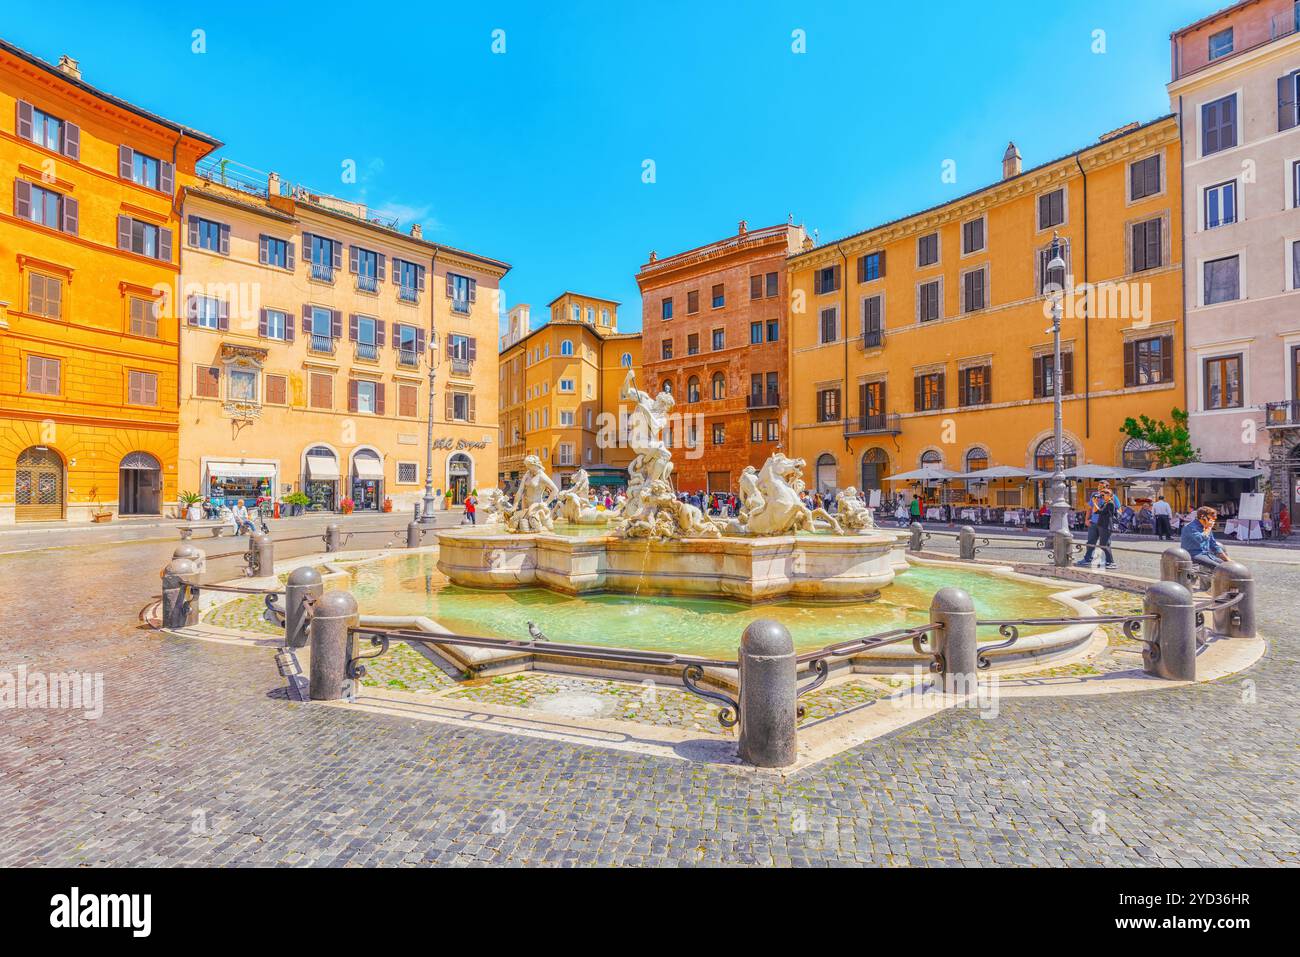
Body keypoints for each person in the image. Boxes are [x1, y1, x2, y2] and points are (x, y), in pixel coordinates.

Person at [1075, 485, 1117, 568]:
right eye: (1101, 494)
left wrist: (1095, 503)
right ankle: (1107, 561)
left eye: (1103, 494)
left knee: (1104, 544)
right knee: (1101, 544)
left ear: (1109, 495)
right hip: (1100, 525)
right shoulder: (1105, 503)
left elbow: (1100, 511)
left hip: (1106, 526)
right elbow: (1095, 511)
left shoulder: (1110, 504)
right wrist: (1095, 502)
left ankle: (1111, 562)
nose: (1101, 496)